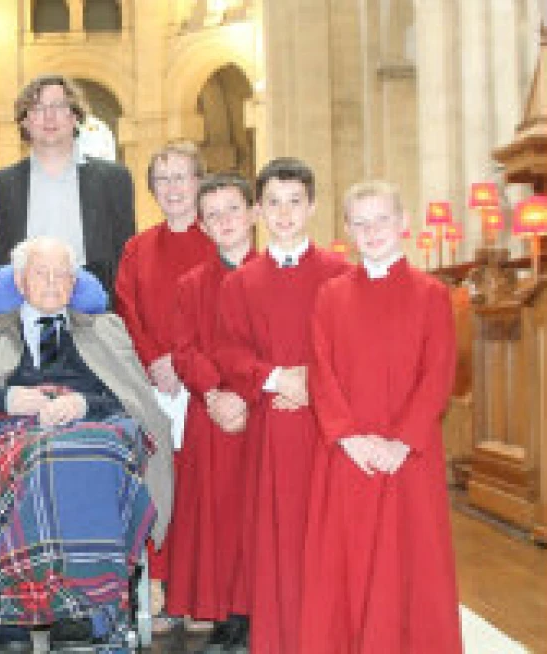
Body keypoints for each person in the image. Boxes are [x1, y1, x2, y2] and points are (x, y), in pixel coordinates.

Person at [0, 236, 173, 652]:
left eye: (63, 275)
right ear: (20, 281)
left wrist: (83, 402)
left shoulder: (107, 330)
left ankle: (83, 609)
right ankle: (6, 610)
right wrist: (7, 398)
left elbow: (133, 396)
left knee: (83, 453)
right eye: (41, 272)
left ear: (75, 284)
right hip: (6, 430)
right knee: (38, 455)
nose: (53, 283)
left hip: (93, 427)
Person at [299, 181, 462, 654]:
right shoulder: (330, 296)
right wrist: (347, 438)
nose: (372, 231)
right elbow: (321, 373)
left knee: (411, 563)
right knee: (347, 564)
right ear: (347, 229)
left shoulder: (432, 294)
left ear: (403, 224)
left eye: (382, 220)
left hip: (408, 457)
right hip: (348, 455)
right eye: (361, 222)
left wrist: (402, 442)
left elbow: (438, 375)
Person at [216, 157, 351, 653]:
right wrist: (275, 378)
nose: (285, 213)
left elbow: (354, 348)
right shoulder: (240, 282)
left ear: (313, 206)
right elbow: (229, 351)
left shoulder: (341, 275)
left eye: (295, 201)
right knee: (277, 543)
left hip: (326, 427)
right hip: (271, 427)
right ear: (258, 211)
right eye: (273, 202)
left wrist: (314, 381)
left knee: (326, 538)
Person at [113, 140, 218, 616]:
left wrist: (183, 362)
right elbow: (126, 311)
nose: (173, 188)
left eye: (182, 177)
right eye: (164, 179)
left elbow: (224, 311)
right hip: (150, 382)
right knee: (156, 481)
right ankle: (156, 581)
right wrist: (155, 359)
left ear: (199, 182)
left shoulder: (219, 241)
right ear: (152, 189)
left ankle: (199, 585)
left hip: (202, 383)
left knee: (201, 485)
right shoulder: (137, 248)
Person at [168, 172, 257, 652]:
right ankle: (228, 613)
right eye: (213, 214)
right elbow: (184, 351)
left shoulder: (271, 273)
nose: (224, 221)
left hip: (264, 413)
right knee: (221, 518)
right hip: (213, 413)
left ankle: (268, 607)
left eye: (232, 209)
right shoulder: (192, 284)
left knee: (262, 517)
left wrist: (246, 395)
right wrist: (215, 394)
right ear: (202, 226)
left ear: (253, 213)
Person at [0, 74, 135, 293]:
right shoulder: (0, 185)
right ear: (25, 121)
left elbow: (124, 258)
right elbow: (3, 260)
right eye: (37, 109)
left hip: (94, 308)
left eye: (58, 106)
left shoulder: (113, 180)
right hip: (26, 306)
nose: (49, 117)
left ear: (74, 116)